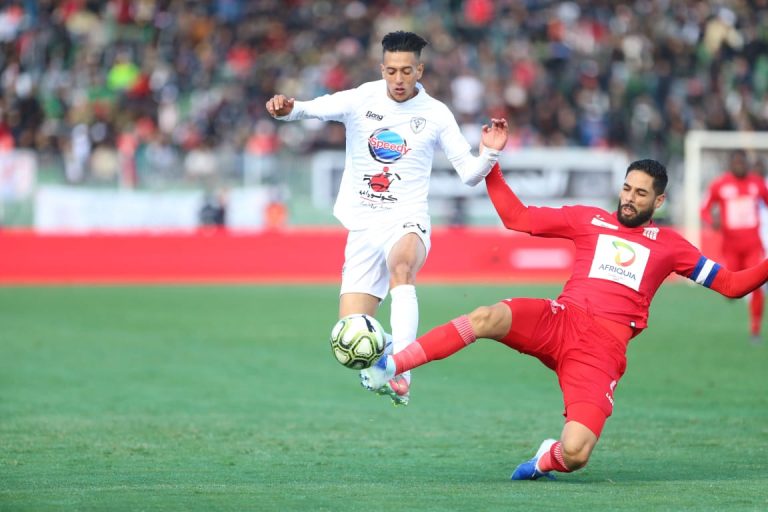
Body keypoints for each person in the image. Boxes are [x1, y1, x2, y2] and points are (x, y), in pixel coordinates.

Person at [361, 159, 768, 479]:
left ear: (658, 202)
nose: (629, 199)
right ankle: (391, 366)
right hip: (559, 320)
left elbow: (732, 285)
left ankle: (544, 460)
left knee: (576, 453)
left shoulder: (672, 246)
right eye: (627, 188)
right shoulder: (589, 219)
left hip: (600, 353)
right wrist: (492, 165)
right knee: (486, 316)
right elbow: (517, 217)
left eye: (641, 194)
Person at [266, 31, 509, 405]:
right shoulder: (361, 98)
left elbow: (469, 174)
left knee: (401, 269)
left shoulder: (436, 113)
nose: (398, 79)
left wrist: (489, 154)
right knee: (351, 333)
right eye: (392, 71)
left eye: (406, 71)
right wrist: (285, 109)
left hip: (407, 218)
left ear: (419, 71)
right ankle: (387, 361)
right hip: (363, 227)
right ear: (382, 69)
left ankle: (402, 369)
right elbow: (309, 108)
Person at [701, 150, 768, 343]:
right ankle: (731, 294)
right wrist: (711, 221)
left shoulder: (757, 183)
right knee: (732, 288)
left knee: (757, 285)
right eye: (736, 162)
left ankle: (755, 330)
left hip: (753, 246)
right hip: (730, 247)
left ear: (747, 164)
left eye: (742, 162)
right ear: (730, 164)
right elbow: (704, 209)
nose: (740, 165)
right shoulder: (720, 185)